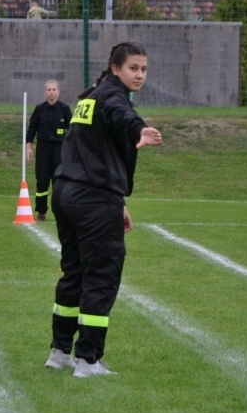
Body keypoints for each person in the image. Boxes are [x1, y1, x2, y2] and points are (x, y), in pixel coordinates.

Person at [44, 41, 162, 378]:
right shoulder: (112, 97)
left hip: (69, 193)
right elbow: (121, 115)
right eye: (132, 68)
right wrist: (139, 127)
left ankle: (60, 352)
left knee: (74, 273)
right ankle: (88, 360)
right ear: (115, 69)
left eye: (143, 69)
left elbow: (92, 153)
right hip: (92, 198)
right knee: (101, 276)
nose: (139, 75)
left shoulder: (89, 97)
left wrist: (118, 200)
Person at [26, 80, 73, 221]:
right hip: (43, 148)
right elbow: (32, 129)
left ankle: (60, 212)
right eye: (49, 90)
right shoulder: (39, 109)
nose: (51, 92)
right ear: (45, 92)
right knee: (42, 180)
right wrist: (28, 146)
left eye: (54, 89)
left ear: (58, 91)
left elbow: (72, 131)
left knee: (58, 182)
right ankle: (41, 211)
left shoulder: (65, 109)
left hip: (59, 149)